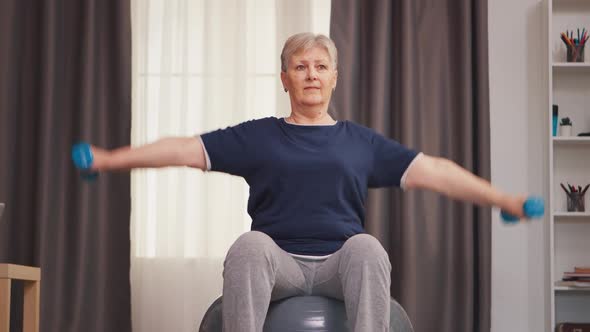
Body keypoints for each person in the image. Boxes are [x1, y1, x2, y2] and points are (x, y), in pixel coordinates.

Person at [81, 33, 526, 332]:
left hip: (340, 264)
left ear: (334, 77)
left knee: (368, 247)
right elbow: (182, 150)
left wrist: (501, 198)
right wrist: (109, 159)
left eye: (320, 66)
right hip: (279, 266)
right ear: (284, 79)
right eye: (300, 67)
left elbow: (437, 172)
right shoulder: (259, 136)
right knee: (249, 246)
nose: (311, 74)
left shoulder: (359, 142)